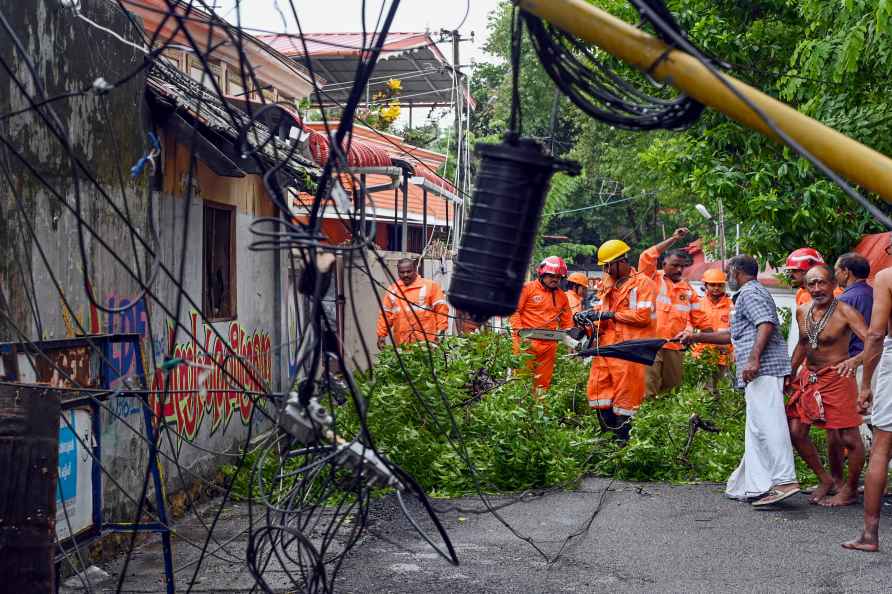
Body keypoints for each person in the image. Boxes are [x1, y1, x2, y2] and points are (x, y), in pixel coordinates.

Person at [681, 255, 799, 506]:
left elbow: (765, 324)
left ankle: (785, 480)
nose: (727, 278)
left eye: (729, 273)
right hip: (757, 371)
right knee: (756, 429)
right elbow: (732, 336)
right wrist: (696, 337)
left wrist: (754, 360)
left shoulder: (750, 293)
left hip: (763, 368)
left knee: (769, 423)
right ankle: (758, 485)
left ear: (737, 271)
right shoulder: (749, 293)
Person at [785, 265, 867, 507]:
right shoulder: (802, 311)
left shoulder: (846, 312)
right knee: (796, 432)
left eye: (822, 283)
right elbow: (802, 343)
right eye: (812, 283)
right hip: (809, 378)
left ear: (833, 284)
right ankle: (826, 480)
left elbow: (874, 342)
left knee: (848, 438)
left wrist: (854, 360)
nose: (817, 288)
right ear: (806, 286)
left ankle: (849, 489)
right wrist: (790, 371)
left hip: (837, 378)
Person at [582, 239, 657, 441]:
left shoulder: (643, 284)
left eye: (608, 265)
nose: (605, 269)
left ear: (621, 261)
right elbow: (601, 313)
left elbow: (643, 317)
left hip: (628, 351)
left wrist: (612, 315)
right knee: (598, 394)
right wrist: (588, 318)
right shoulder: (606, 284)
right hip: (605, 349)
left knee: (625, 401)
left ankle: (622, 445)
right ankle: (607, 443)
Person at [843, 257, 892, 552]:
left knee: (882, 447)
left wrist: (865, 385)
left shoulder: (886, 277)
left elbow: (875, 335)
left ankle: (870, 535)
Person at [638, 227, 699, 396]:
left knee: (671, 392)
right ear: (663, 264)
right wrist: (674, 239)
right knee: (647, 392)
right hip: (651, 344)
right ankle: (645, 421)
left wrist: (690, 332)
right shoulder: (651, 278)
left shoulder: (687, 289)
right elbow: (646, 256)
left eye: (682, 266)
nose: (679, 270)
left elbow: (699, 319)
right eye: (674, 265)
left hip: (675, 346)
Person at [510, 256, 574, 392]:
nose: (555, 279)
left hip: (549, 345)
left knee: (542, 384)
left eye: (558, 276)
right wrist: (519, 331)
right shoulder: (527, 289)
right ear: (542, 274)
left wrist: (571, 339)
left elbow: (567, 322)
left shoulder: (562, 296)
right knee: (521, 382)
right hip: (525, 343)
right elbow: (514, 311)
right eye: (551, 275)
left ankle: (539, 410)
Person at [376, 258, 449, 348]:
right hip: (403, 345)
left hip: (428, 345)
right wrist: (381, 336)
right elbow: (385, 315)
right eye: (402, 272)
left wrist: (441, 332)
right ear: (398, 272)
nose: (405, 275)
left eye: (408, 271)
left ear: (415, 270)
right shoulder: (393, 291)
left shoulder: (430, 286)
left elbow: (441, 310)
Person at [690, 268, 734, 367]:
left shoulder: (732, 305)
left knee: (724, 383)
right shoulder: (698, 305)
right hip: (701, 357)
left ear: (724, 286)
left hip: (724, 358)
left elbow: (737, 332)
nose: (716, 288)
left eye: (720, 285)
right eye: (712, 285)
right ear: (705, 285)